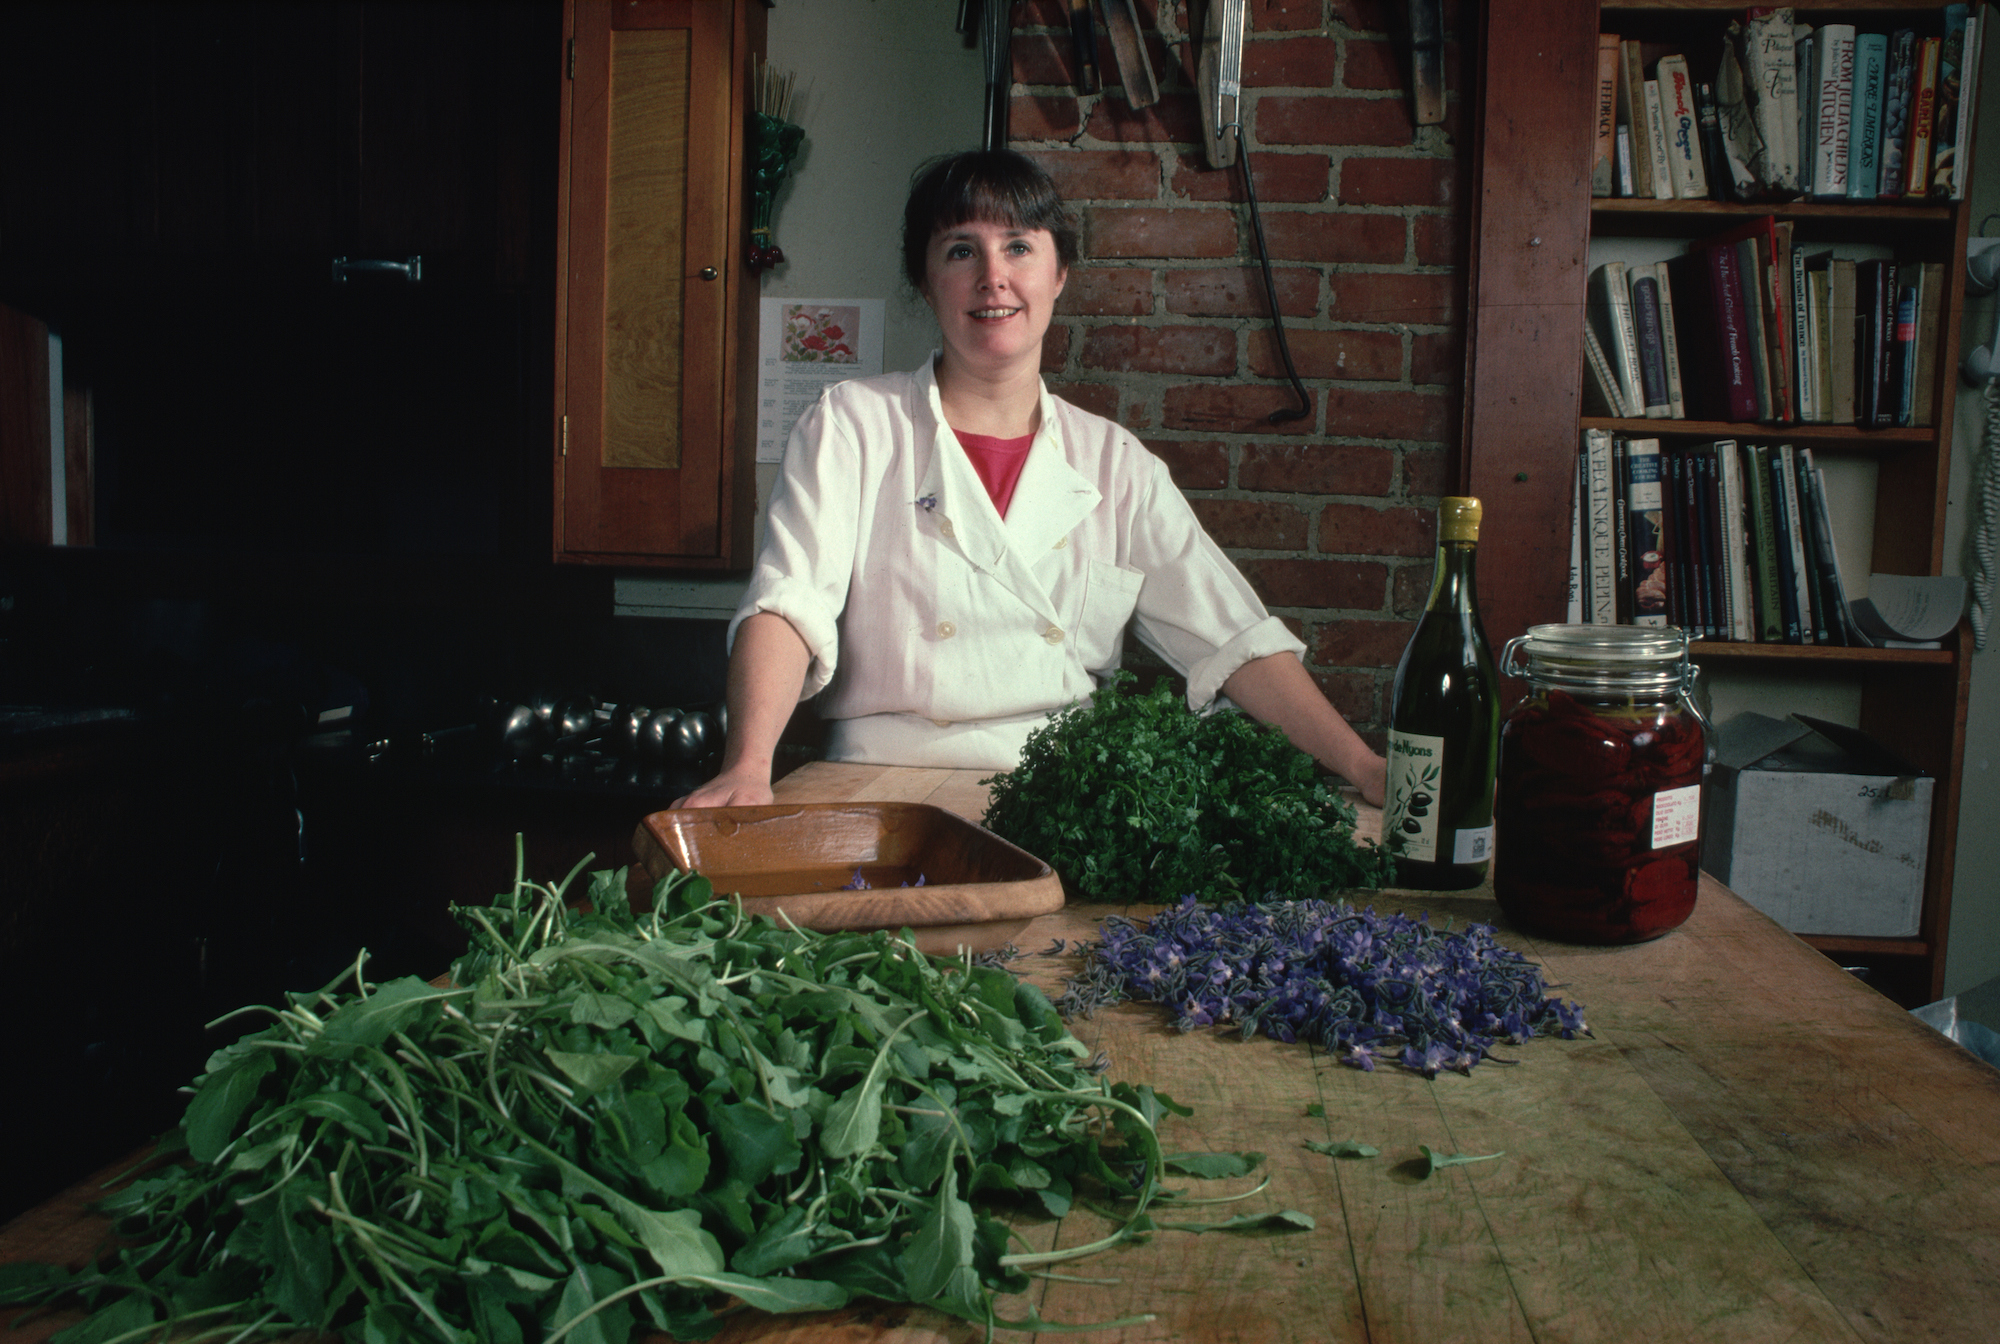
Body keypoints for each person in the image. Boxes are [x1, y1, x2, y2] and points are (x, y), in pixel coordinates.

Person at [674, 150, 1386, 809]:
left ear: (1058, 273)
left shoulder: (1114, 462)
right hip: (876, 784)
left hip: (1059, 796)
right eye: (961, 251)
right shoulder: (854, 425)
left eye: (1018, 246)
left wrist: (1362, 767)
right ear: (925, 281)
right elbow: (786, 604)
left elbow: (1233, 639)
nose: (994, 277)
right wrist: (746, 767)